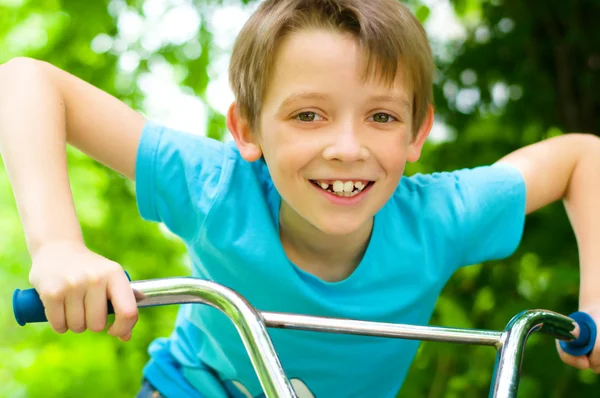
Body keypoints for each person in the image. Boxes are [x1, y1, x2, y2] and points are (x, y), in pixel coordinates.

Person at [1, 0, 599, 396]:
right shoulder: (216, 188)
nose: (346, 148)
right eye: (309, 115)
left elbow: (582, 158)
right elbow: (24, 79)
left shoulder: (439, 219)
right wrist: (57, 245)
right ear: (247, 131)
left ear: (417, 133)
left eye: (382, 116)